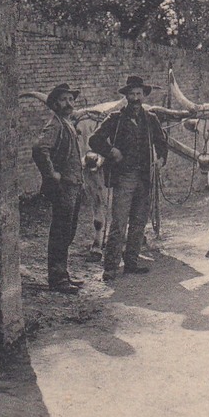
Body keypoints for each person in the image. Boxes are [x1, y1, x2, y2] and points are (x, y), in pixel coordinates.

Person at [89, 74, 168, 279]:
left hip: (144, 177)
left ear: (143, 96)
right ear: (126, 97)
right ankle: (111, 266)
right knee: (119, 222)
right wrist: (111, 151)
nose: (135, 98)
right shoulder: (115, 119)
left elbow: (161, 142)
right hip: (123, 178)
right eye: (131, 94)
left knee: (139, 221)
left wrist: (160, 160)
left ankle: (131, 262)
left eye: (138, 94)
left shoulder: (150, 119)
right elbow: (94, 139)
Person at [32, 82, 85, 295]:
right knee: (60, 232)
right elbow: (39, 148)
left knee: (68, 232)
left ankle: (63, 274)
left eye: (71, 99)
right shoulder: (55, 124)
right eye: (63, 100)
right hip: (64, 187)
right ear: (54, 104)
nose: (68, 103)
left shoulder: (66, 123)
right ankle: (58, 279)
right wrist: (51, 173)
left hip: (74, 186)